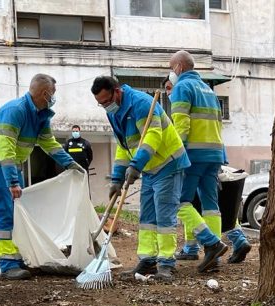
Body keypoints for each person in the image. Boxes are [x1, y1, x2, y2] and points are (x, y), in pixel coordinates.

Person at [91, 76, 226, 280]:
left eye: (106, 101)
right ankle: (147, 261)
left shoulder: (142, 104)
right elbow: (123, 144)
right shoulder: (115, 112)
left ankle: (166, 263)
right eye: (100, 104)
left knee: (164, 216)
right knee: (147, 217)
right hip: (150, 168)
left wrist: (136, 165)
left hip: (168, 163)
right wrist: (117, 177)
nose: (105, 107)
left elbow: (153, 135)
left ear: (116, 91)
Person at [0, 74, 85, 280]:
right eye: (53, 93)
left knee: (19, 209)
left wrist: (71, 164)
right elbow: (5, 150)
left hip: (10, 164)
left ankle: (20, 257)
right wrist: (13, 182)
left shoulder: (41, 115)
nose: (54, 97)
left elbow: (49, 143)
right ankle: (7, 263)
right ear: (45, 93)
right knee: (3, 210)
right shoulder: (15, 111)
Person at [168, 50, 249, 268]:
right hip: (213, 154)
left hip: (192, 155)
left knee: (181, 201)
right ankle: (214, 254)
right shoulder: (208, 89)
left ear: (179, 68)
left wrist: (176, 155)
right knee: (210, 204)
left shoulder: (182, 87)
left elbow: (181, 125)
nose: (171, 73)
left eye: (171, 68)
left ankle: (210, 244)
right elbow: (216, 124)